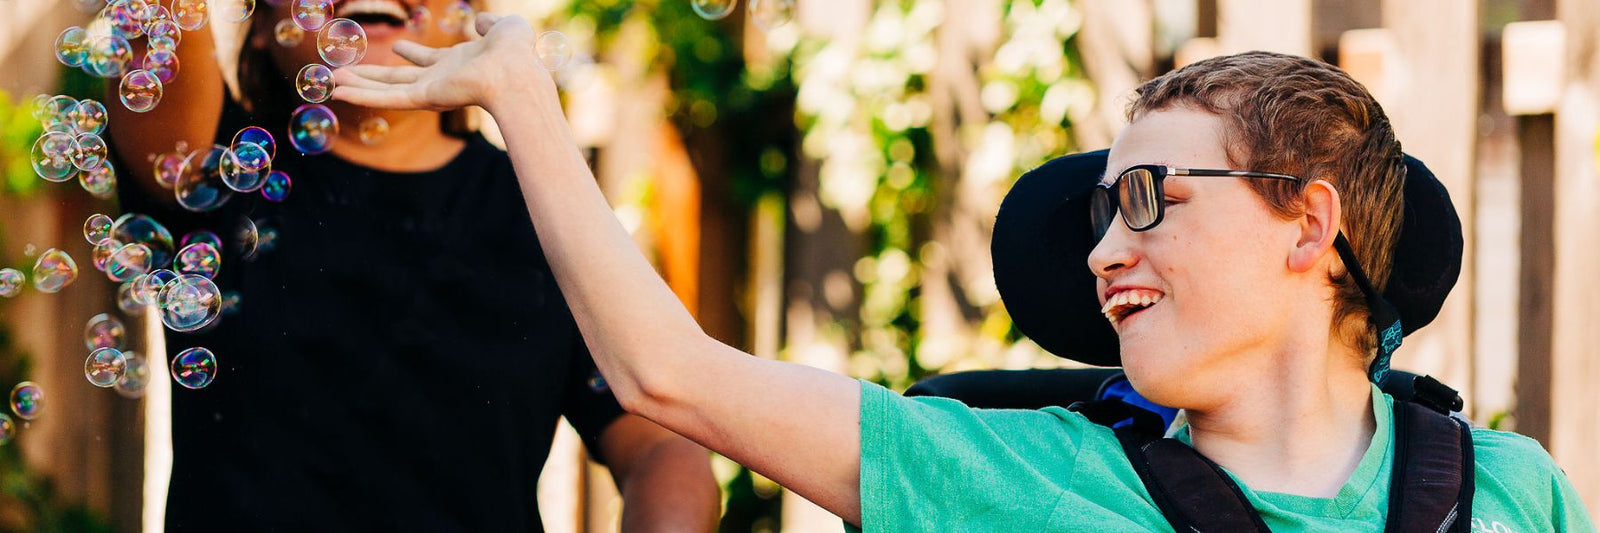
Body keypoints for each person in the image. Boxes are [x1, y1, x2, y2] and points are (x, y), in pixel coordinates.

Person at [333, 12, 1597, 531]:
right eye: (1096, 214)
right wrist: (521, 98)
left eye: (1145, 198)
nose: (1102, 249)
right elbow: (667, 374)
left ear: (1306, 226)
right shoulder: (1007, 471)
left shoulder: (1510, 490)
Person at [105, 1, 718, 530]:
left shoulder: (547, 211)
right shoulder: (214, 174)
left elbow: (661, 445)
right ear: (261, 24)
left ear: (467, 14)